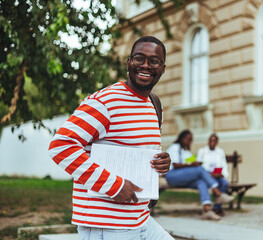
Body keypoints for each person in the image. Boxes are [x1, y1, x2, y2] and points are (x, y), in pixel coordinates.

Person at [48, 36, 174, 240]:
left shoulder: (153, 104)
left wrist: (162, 162)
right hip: (106, 226)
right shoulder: (106, 101)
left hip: (141, 219)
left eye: (154, 61)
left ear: (163, 68)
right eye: (139, 58)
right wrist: (112, 185)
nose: (145, 65)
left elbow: (139, 148)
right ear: (129, 63)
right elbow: (61, 146)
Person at [165, 130, 234, 220]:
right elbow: (175, 164)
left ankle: (206, 211)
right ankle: (218, 194)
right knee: (200, 169)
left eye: (191, 140)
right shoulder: (175, 147)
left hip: (184, 178)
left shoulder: (186, 151)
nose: (190, 142)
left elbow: (189, 163)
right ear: (182, 138)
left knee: (201, 182)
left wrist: (193, 163)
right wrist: (191, 165)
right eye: (188, 139)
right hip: (173, 176)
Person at [197, 133, 229, 216]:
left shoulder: (220, 151)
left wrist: (222, 174)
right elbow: (199, 165)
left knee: (225, 183)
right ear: (208, 142)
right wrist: (209, 173)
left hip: (218, 174)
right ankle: (217, 208)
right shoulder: (202, 151)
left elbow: (224, 164)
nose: (212, 143)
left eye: (214, 141)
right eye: (211, 141)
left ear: (217, 142)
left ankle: (217, 207)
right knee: (216, 184)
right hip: (207, 175)